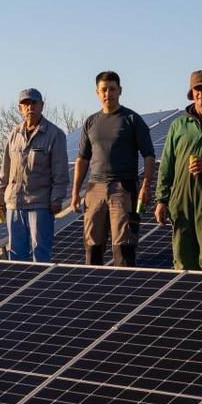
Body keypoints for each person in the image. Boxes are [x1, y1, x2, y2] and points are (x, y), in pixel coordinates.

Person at [71, 71, 156, 266]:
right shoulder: (91, 122)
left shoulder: (132, 119)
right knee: (92, 246)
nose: (108, 93)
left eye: (112, 89)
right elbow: (82, 159)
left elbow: (149, 155)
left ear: (120, 91)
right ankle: (92, 289)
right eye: (103, 90)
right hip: (95, 189)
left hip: (123, 189)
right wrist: (76, 192)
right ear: (97, 93)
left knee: (123, 247)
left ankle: (124, 290)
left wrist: (146, 186)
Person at [155, 70, 202, 271]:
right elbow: (166, 165)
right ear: (191, 93)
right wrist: (162, 200)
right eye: (197, 89)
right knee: (182, 262)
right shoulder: (178, 125)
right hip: (180, 204)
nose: (201, 93)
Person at [0, 88, 68, 262]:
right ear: (20, 108)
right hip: (14, 204)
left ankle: (41, 288)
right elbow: (5, 171)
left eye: (34, 103)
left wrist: (56, 199)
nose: (30, 107)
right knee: (16, 255)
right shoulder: (14, 134)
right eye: (26, 104)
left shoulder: (54, 134)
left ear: (42, 106)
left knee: (40, 253)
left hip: (40, 204)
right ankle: (18, 288)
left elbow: (60, 172)